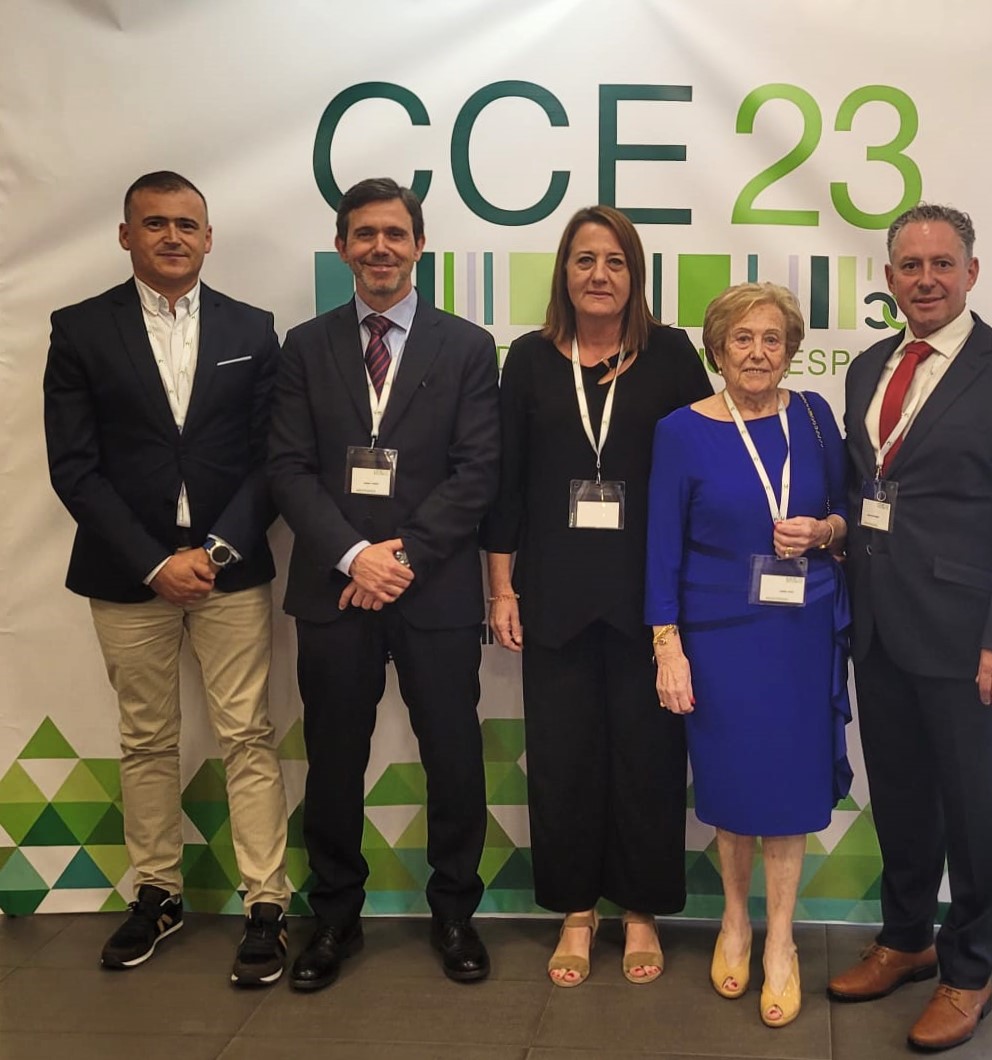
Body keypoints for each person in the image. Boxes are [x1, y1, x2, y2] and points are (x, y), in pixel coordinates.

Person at [43, 171, 290, 986]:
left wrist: (213, 552)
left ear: (209, 238)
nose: (173, 236)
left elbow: (272, 459)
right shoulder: (80, 330)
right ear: (126, 235)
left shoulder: (253, 328)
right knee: (146, 738)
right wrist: (153, 561)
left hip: (230, 569)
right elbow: (75, 468)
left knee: (247, 734)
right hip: (127, 573)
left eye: (187, 223)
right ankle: (157, 892)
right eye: (155, 223)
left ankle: (266, 902)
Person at [828, 203, 992, 1051]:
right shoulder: (869, 368)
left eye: (941, 264)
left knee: (971, 813)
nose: (925, 279)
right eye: (910, 265)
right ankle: (906, 940)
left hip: (971, 641)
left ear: (971, 272)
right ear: (890, 277)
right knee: (899, 799)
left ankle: (968, 973)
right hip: (880, 628)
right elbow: (868, 490)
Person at [268, 177, 499, 992]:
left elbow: (478, 472)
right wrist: (353, 556)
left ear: (419, 246)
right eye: (364, 234)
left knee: (453, 755)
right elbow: (287, 468)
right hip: (335, 589)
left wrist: (399, 559)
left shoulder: (467, 346)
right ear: (342, 248)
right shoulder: (305, 346)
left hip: (433, 589)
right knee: (333, 760)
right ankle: (334, 916)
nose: (380, 248)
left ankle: (455, 912)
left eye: (395, 234)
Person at [482, 205, 712, 987]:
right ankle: (576, 912)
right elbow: (507, 485)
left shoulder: (671, 354)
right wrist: (502, 589)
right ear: (564, 272)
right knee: (564, 759)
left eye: (615, 261)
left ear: (634, 275)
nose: (599, 275)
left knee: (649, 759)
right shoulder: (529, 359)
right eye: (585, 260)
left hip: (651, 597)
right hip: (555, 593)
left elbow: (705, 465)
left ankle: (641, 910)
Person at [646, 281, 851, 1027]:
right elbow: (661, 548)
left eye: (772, 338)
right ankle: (735, 921)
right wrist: (668, 647)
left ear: (791, 350)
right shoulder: (681, 431)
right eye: (742, 338)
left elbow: (849, 513)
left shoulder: (816, 417)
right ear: (717, 350)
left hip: (801, 635)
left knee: (789, 788)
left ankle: (782, 941)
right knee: (733, 785)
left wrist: (824, 531)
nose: (758, 352)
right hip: (719, 637)